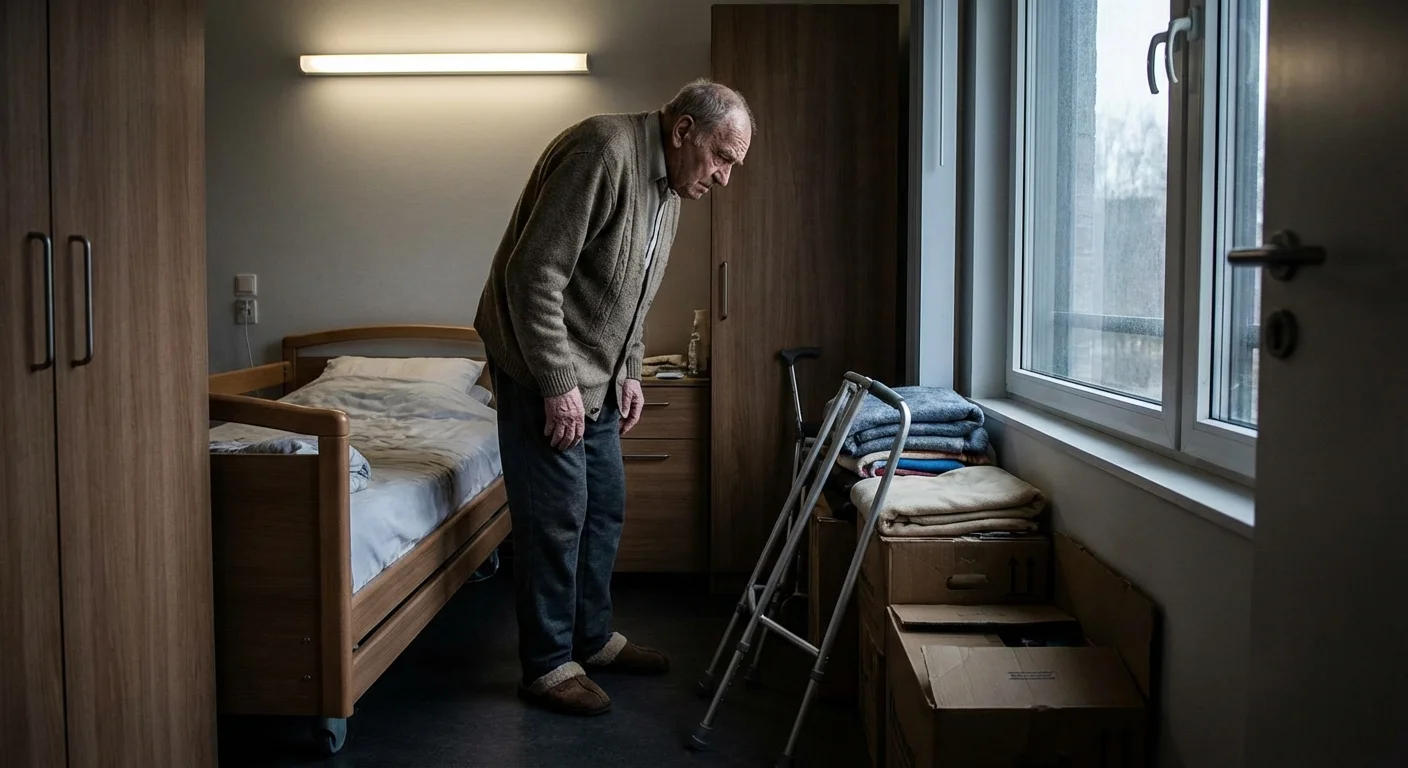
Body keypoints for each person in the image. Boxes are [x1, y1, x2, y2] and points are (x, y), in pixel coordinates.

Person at [474, 79, 754, 716]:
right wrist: (558, 384)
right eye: (722, 157)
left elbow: (631, 293)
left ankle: (591, 640)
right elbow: (532, 274)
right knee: (557, 514)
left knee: (603, 507)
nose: (725, 177)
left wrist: (629, 369)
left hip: (596, 372)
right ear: (684, 131)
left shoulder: (672, 190)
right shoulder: (603, 152)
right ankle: (546, 666)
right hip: (537, 364)